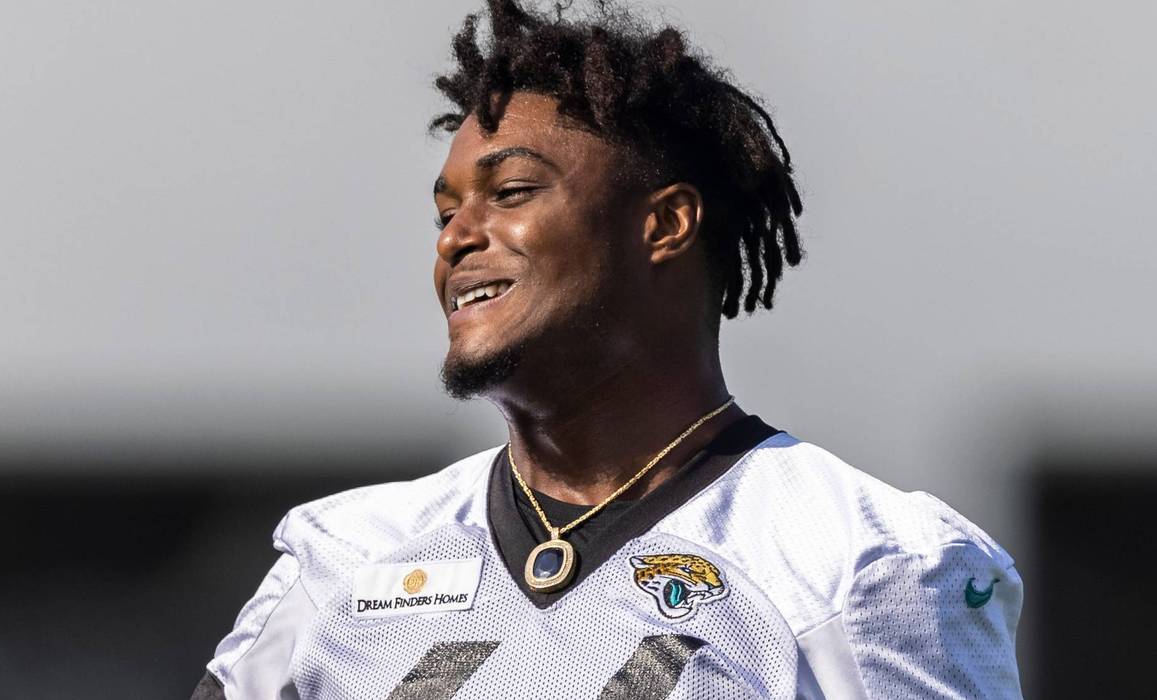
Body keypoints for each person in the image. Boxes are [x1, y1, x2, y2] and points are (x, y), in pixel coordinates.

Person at [192, 1, 1023, 697]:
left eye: (510, 192)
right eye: (445, 214)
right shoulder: (347, 553)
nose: (457, 238)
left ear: (662, 224)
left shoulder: (869, 557)